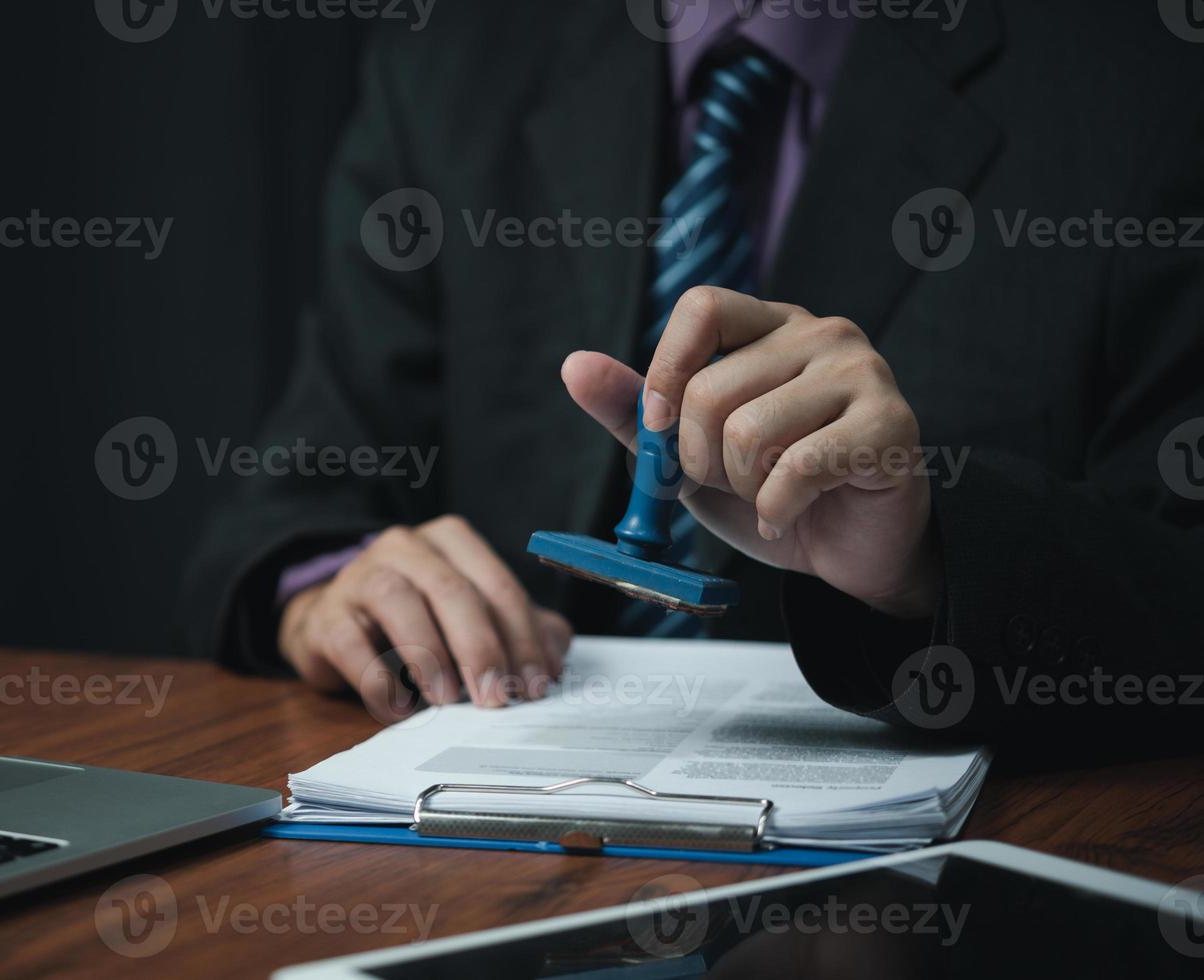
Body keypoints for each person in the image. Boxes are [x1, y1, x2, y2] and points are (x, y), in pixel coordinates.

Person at [180, 0, 1204, 744]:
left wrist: (926, 558)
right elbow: (298, 490)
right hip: (496, 838)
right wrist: (334, 586)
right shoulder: (455, 56)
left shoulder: (1147, 81)